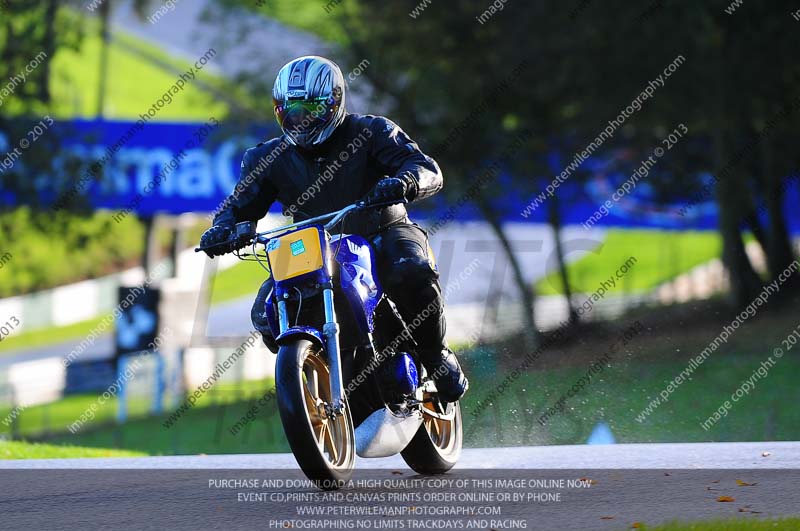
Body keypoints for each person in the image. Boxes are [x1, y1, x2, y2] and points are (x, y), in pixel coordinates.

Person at [200, 56, 467, 402]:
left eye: (310, 107)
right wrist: (222, 229)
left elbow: (426, 167)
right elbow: (238, 207)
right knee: (266, 311)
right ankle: (318, 371)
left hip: (383, 230)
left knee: (411, 270)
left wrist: (405, 182)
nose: (301, 118)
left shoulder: (372, 132)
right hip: (314, 246)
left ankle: (435, 355)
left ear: (334, 101)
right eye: (291, 109)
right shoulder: (265, 158)